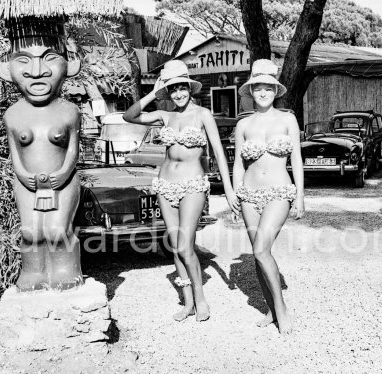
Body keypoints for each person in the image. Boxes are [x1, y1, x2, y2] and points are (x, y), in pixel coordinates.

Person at [123, 60, 240, 322]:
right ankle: (187, 302)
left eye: (182, 88)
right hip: (165, 185)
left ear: (190, 87)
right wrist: (155, 92)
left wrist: (230, 191)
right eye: (172, 89)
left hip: (192, 186)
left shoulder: (202, 115)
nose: (178, 94)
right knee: (175, 246)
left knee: (186, 246)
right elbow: (128, 116)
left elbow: (219, 154)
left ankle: (201, 299)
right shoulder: (165, 115)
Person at [0, 17, 83, 291]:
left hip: (64, 181)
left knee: (59, 230)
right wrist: (24, 176)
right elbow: (15, 156)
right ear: (6, 68)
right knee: (32, 232)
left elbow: (72, 151)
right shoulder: (13, 114)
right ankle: (34, 273)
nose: (37, 71)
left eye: (50, 58)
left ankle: (65, 271)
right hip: (27, 184)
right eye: (23, 60)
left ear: (70, 65)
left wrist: (63, 174)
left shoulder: (69, 111)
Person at [232, 59, 305, 334]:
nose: (263, 93)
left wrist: (299, 196)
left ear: (276, 90)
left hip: (279, 192)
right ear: (251, 91)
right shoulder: (243, 125)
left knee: (261, 250)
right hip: (249, 195)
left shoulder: (288, 119)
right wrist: (237, 196)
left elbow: (296, 159)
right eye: (258, 88)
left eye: (268, 88)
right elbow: (239, 164)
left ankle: (281, 308)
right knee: (258, 254)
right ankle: (271, 310)